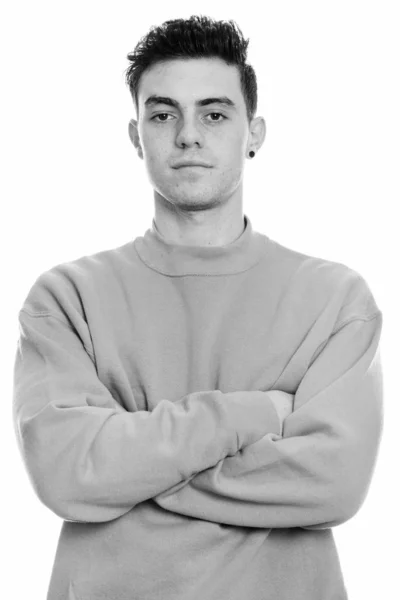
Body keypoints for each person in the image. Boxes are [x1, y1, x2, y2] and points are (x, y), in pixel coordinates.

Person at [12, 14, 384, 600]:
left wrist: (128, 468)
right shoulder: (67, 298)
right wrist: (255, 413)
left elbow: (334, 484)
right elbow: (64, 472)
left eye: (214, 113)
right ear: (136, 137)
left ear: (254, 133)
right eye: (163, 115)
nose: (188, 134)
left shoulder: (334, 299)